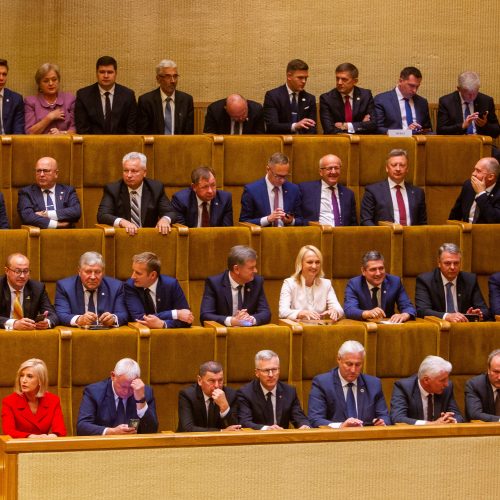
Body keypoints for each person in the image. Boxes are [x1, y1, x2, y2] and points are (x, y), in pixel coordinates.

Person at [308, 340, 390, 427]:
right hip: (335, 438)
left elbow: (385, 417)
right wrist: (341, 426)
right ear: (338, 359)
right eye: (349, 364)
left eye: (358, 365)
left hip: (366, 438)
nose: (353, 370)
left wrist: (382, 422)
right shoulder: (322, 383)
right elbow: (315, 419)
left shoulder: (373, 384)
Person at [97, 152, 177, 236]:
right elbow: (102, 216)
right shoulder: (113, 189)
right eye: (126, 171)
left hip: (149, 237)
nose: (129, 175)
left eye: (134, 171)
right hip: (122, 237)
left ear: (144, 172)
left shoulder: (155, 188)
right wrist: (122, 222)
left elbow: (170, 212)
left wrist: (165, 219)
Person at [76, 358, 158, 435]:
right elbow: (82, 427)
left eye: (131, 388)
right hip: (103, 447)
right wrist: (111, 432)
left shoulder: (145, 392)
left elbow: (152, 430)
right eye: (123, 387)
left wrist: (141, 401)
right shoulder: (94, 392)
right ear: (113, 376)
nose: (126, 392)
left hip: (134, 447)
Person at [415, 242, 489, 321]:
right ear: (439, 263)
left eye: (456, 263)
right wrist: (447, 316)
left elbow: (485, 310)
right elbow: (422, 311)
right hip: (439, 328)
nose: (452, 267)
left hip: (464, 327)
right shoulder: (425, 280)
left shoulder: (470, 280)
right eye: (447, 263)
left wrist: (476, 314)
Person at [237, 350, 309, 430]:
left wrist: (304, 425)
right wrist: (266, 429)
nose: (271, 375)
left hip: (283, 439)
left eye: (274, 370)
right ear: (257, 373)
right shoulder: (246, 393)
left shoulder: (289, 391)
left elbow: (299, 417)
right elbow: (245, 422)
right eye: (266, 370)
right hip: (257, 439)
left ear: (279, 370)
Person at [200, 245, 271, 326]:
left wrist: (249, 320)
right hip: (223, 334)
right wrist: (232, 321)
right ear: (236, 269)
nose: (255, 271)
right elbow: (205, 316)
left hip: (249, 333)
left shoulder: (257, 282)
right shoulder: (214, 283)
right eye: (251, 268)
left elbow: (266, 313)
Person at [55, 251, 128, 327]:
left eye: (97, 272)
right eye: (88, 272)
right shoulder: (65, 287)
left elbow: (123, 314)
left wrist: (113, 319)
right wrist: (79, 319)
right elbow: (61, 315)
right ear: (79, 271)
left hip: (107, 335)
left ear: (103, 272)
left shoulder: (116, 287)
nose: (93, 277)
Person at [124, 252, 194, 328]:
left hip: (170, 336)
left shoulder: (171, 285)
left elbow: (187, 319)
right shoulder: (130, 286)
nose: (132, 276)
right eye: (133, 271)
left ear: (152, 275)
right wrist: (175, 314)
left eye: (138, 273)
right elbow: (139, 318)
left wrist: (163, 324)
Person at [344, 250, 415, 322]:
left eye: (381, 268)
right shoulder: (354, 284)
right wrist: (366, 313)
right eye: (373, 269)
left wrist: (405, 314)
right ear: (363, 271)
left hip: (389, 327)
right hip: (364, 327)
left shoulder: (394, 282)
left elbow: (408, 306)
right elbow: (349, 309)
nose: (378, 273)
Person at [1, 358, 66, 438]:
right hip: (19, 447)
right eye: (21, 375)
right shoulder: (9, 401)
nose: (23, 380)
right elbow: (9, 431)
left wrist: (53, 436)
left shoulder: (53, 400)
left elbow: (60, 430)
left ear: (40, 380)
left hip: (44, 446)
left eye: (29, 376)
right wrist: (30, 437)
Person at [360, 149, 427, 226]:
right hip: (384, 236)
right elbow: (365, 220)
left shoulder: (418, 193)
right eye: (394, 165)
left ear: (407, 169)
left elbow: (423, 223)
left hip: (412, 237)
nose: (398, 169)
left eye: (402, 165)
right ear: (387, 168)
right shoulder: (373, 191)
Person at [390, 355, 464, 424]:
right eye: (442, 380)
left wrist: (450, 420)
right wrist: (430, 424)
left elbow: (458, 416)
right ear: (426, 380)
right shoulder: (404, 387)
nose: (446, 384)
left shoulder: (447, 388)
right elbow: (397, 418)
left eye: (447, 379)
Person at [279, 245, 344, 321]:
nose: (314, 266)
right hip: (298, 329)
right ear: (300, 264)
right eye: (310, 262)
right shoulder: (289, 283)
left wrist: (335, 311)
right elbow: (282, 312)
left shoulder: (326, 284)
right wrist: (300, 313)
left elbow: (339, 309)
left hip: (320, 328)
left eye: (317, 262)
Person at [75, 56, 136, 134]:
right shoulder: (83, 95)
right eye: (102, 72)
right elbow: (82, 129)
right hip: (93, 144)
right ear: (96, 73)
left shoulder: (128, 95)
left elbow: (131, 128)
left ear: (116, 73)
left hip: (121, 144)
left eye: (110, 72)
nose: (106, 76)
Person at [239, 152, 304, 226]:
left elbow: (301, 221)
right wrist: (267, 219)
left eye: (285, 176)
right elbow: (243, 222)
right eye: (278, 176)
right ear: (267, 169)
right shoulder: (251, 190)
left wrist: (291, 221)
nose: (282, 180)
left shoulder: (293, 189)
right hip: (262, 235)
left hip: (287, 235)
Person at [17, 156, 81, 228]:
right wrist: (56, 225)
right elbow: (27, 216)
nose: (41, 175)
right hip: (39, 235)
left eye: (45, 171)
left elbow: (76, 212)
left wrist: (47, 214)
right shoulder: (26, 192)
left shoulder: (68, 191)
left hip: (66, 235)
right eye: (38, 171)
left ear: (56, 174)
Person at [177, 361, 240, 432]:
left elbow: (235, 428)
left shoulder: (230, 394)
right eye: (211, 381)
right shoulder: (187, 395)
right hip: (190, 441)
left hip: (221, 442)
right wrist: (220, 431)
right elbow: (187, 428)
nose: (217, 386)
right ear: (200, 380)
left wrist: (225, 408)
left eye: (220, 380)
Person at [0, 253, 58, 330]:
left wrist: (47, 322)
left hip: (29, 335)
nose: (22, 276)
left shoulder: (37, 288)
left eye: (26, 271)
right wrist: (14, 323)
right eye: (17, 271)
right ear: (7, 271)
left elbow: (53, 314)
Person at [437, 71, 500, 139]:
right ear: (459, 89)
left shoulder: (486, 101)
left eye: (475, 93)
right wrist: (462, 126)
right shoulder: (446, 102)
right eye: (468, 94)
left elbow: (496, 132)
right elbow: (440, 131)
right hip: (455, 144)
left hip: (481, 144)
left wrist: (485, 125)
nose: (472, 97)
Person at [137, 59, 194, 135]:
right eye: (168, 77)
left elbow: (188, 134)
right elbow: (143, 133)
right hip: (155, 145)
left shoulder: (186, 100)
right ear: (158, 79)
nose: (173, 81)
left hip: (180, 145)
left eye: (175, 76)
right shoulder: (146, 101)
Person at [298, 154, 357, 225]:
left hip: (342, 234)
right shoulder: (305, 189)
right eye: (329, 168)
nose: (333, 172)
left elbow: (353, 223)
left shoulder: (348, 194)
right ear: (321, 172)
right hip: (316, 233)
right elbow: (297, 218)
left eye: (336, 168)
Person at [319, 62, 376, 134]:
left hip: (361, 141)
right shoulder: (326, 99)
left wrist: (345, 126)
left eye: (344, 79)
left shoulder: (365, 95)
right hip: (337, 141)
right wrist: (361, 125)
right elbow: (329, 129)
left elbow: (373, 125)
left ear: (355, 81)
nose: (339, 82)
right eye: (337, 78)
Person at [263, 59, 316, 134]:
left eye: (306, 78)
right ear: (289, 76)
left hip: (303, 142)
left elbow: (312, 128)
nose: (304, 81)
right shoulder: (272, 96)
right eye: (300, 78)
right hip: (280, 141)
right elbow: (272, 126)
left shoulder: (310, 99)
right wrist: (295, 126)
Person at [374, 66, 432, 135]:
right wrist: (404, 133)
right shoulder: (382, 100)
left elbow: (427, 128)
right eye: (411, 85)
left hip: (418, 142)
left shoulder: (422, 102)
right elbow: (378, 128)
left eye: (417, 86)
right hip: (394, 142)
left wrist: (422, 130)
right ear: (400, 81)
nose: (414, 90)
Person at [24, 63, 75, 134]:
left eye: (54, 80)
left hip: (65, 143)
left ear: (59, 81)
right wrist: (49, 117)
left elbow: (76, 128)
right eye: (46, 81)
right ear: (39, 84)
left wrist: (62, 133)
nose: (51, 83)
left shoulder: (70, 99)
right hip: (40, 144)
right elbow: (29, 132)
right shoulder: (30, 102)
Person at [448, 157, 500, 224]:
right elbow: (455, 215)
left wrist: (481, 194)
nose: (473, 174)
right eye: (474, 169)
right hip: (466, 232)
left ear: (491, 177)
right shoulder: (468, 185)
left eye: (478, 171)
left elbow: (494, 220)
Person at [465, 349, 500, 422]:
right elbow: (474, 414)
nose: (499, 377)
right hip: (483, 431)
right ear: (488, 370)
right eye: (496, 372)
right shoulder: (475, 385)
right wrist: (498, 420)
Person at [0, 58, 24, 134]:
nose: (1, 78)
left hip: (10, 143)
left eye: (4, 74)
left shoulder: (16, 99)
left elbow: (19, 130)